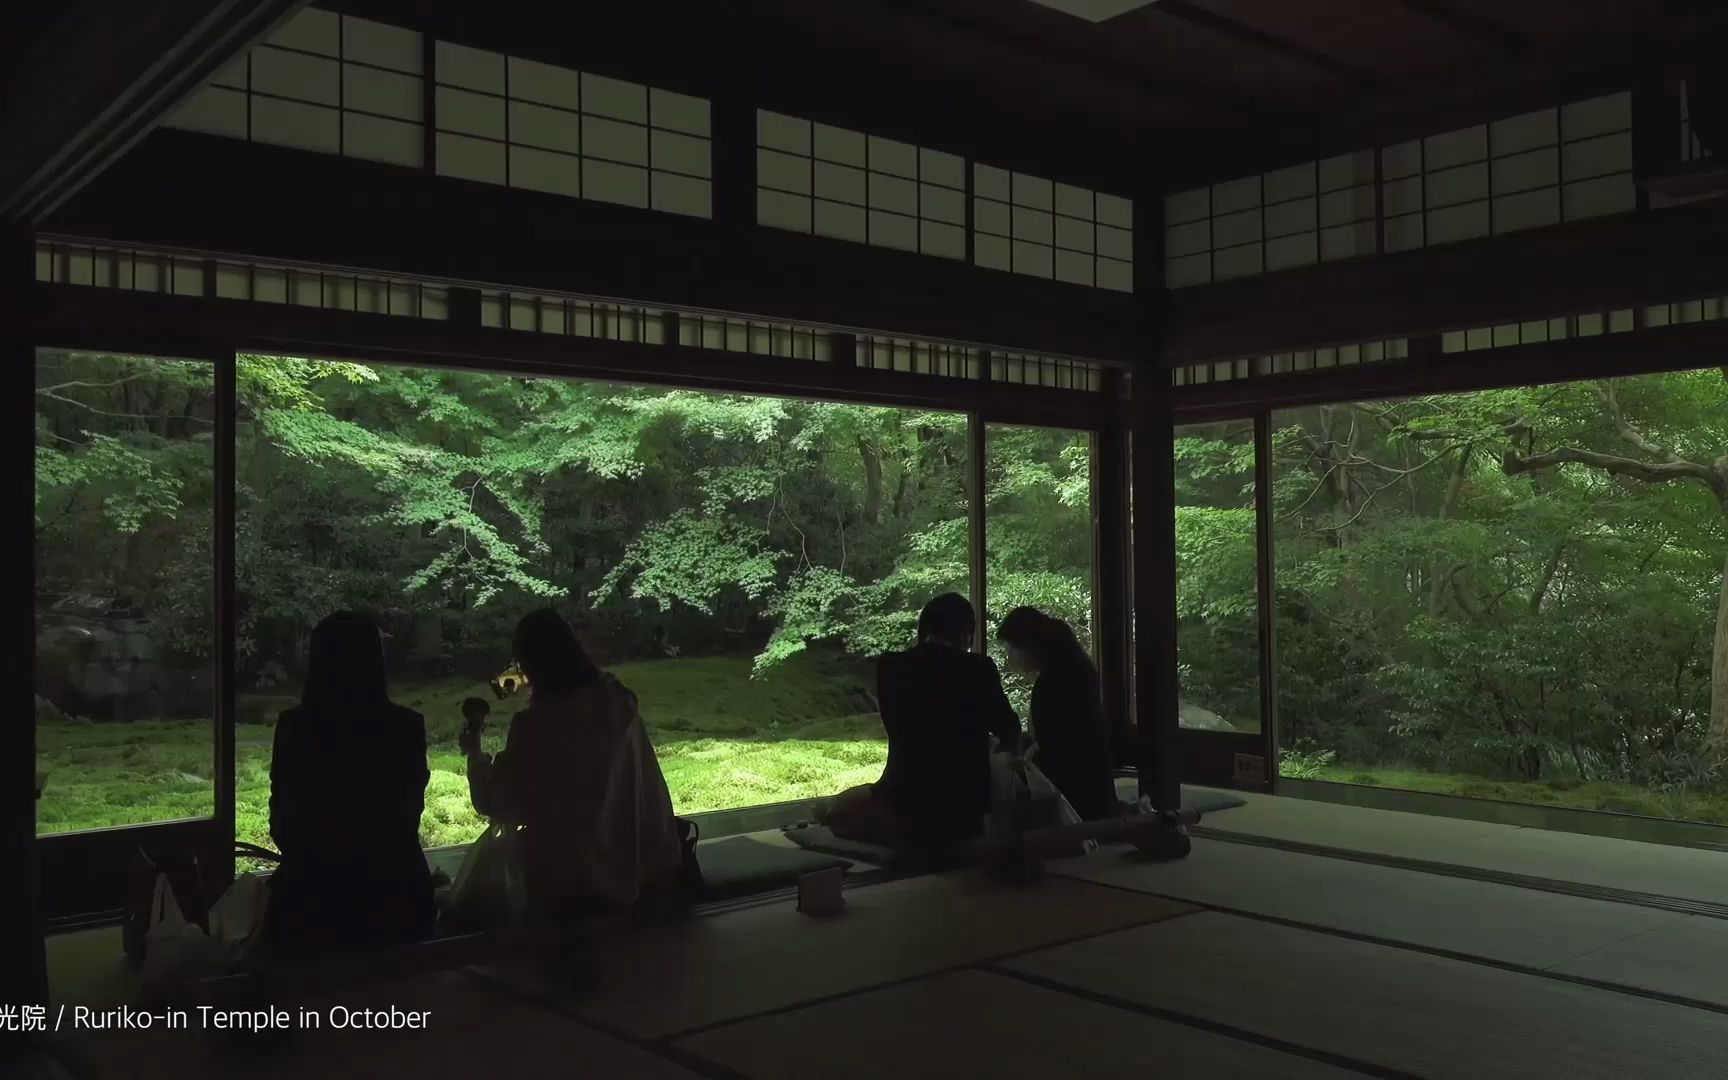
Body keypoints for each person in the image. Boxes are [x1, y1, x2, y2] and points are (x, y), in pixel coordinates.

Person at [459, 608, 685, 921]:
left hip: (574, 884)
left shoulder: (536, 725)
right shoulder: (619, 702)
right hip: (642, 865)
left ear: (528, 666)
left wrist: (475, 755)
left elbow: (498, 803)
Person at [264, 611, 436, 955]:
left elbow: (283, 824)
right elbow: (405, 819)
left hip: (311, 903)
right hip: (397, 900)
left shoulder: (295, 727)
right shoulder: (405, 727)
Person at [824, 593, 1021, 847]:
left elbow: (901, 727)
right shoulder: (978, 668)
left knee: (838, 807)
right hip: (962, 802)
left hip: (901, 794)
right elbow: (1009, 728)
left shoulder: (890, 667)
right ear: (966, 632)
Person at [996, 607, 1119, 822]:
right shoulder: (1075, 667)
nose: (1010, 657)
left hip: (1071, 794)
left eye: (1011, 649)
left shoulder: (1052, 680)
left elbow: (1055, 745)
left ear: (1027, 645)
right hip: (1094, 784)